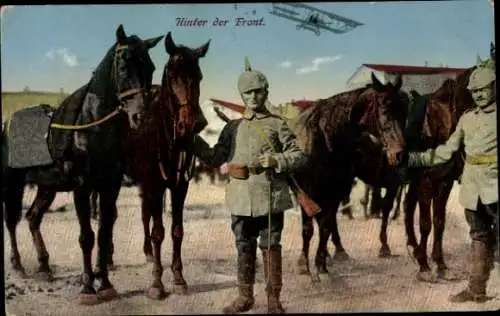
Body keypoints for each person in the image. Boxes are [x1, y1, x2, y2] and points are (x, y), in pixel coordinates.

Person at [190, 57, 308, 314]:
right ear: (242, 96)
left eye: (258, 91)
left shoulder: (278, 124)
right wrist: (191, 139)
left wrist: (276, 159)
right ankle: (245, 297)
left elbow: (300, 155)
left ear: (266, 92)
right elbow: (214, 157)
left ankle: (273, 300)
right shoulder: (232, 127)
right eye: (248, 92)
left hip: (269, 195)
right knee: (244, 245)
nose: (253, 96)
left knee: (270, 245)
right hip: (241, 197)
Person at [404, 62, 498, 303]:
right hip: (473, 189)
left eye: (484, 90)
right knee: (479, 236)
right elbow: (447, 150)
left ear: (494, 88)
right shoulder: (467, 119)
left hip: (495, 186)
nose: (479, 95)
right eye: (475, 91)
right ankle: (476, 289)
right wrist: (415, 158)